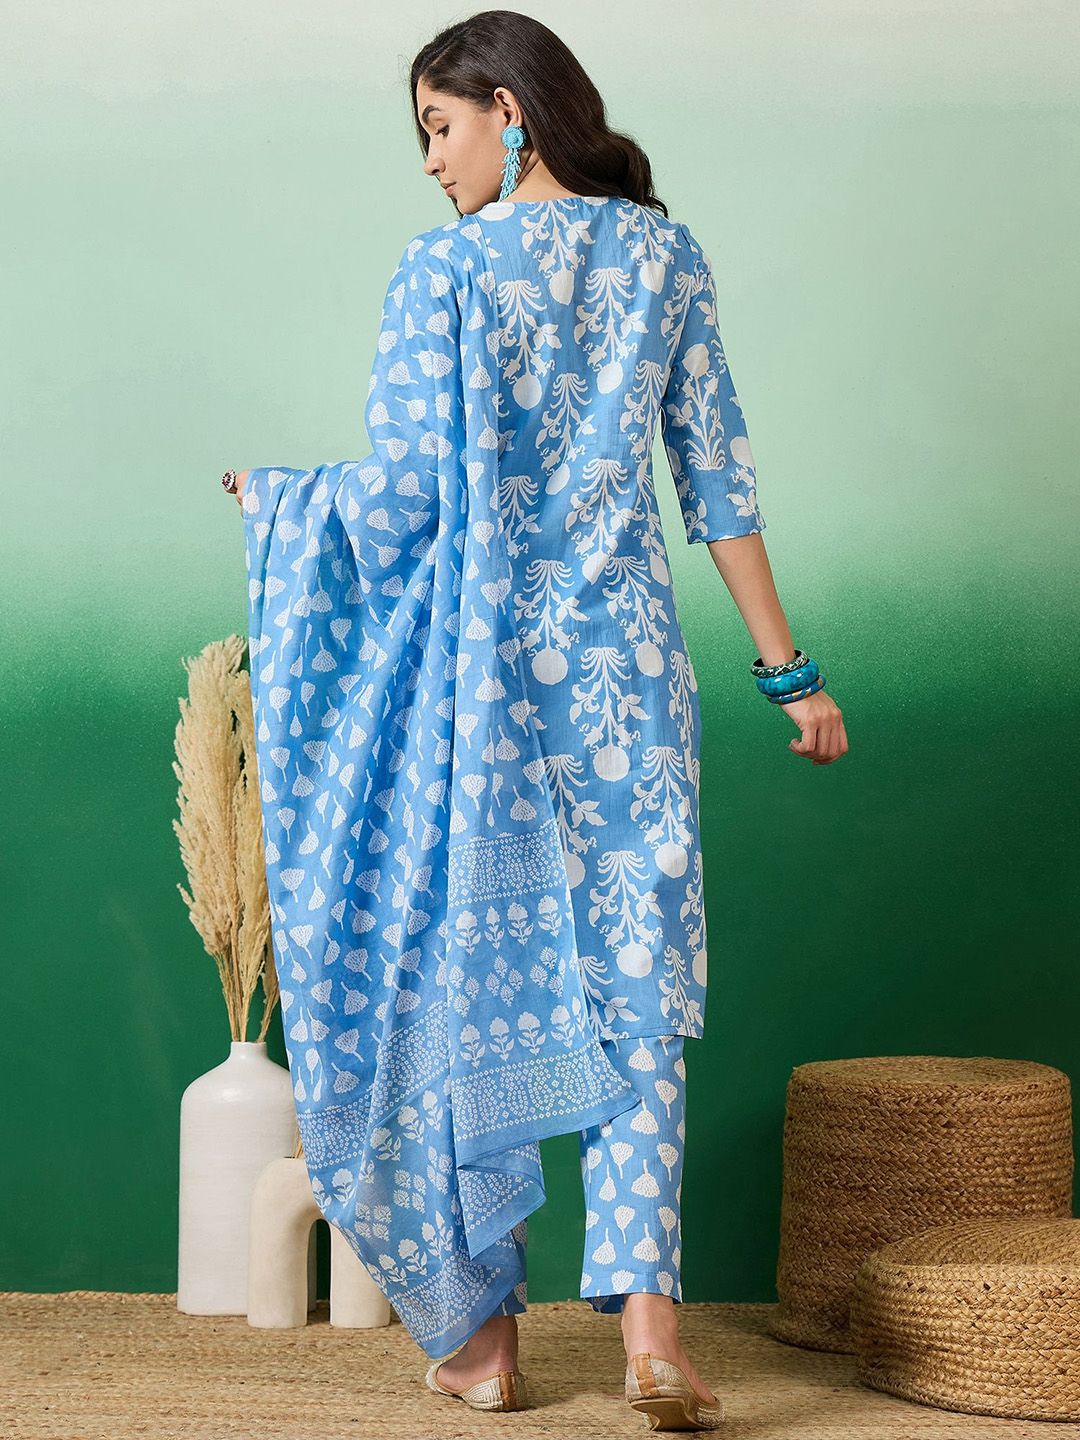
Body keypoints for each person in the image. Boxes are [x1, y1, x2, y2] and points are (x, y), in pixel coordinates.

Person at [226, 10, 847, 1429]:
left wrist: (279, 504)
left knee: (476, 985)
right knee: (639, 993)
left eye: (437, 128)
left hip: (486, 696)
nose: (429, 163)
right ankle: (651, 1337)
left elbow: (403, 499)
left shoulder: (441, 272)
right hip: (630, 687)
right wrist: (789, 674)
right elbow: (718, 482)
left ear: (509, 110)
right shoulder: (668, 258)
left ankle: (489, 1343)